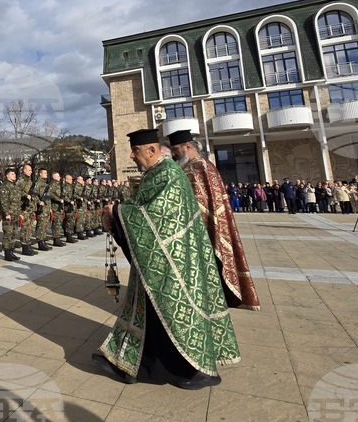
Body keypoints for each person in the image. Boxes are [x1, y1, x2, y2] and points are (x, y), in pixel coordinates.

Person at [94, 129, 240, 390]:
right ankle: (134, 364)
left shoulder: (168, 174)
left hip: (175, 260)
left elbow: (157, 218)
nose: (131, 156)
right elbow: (145, 209)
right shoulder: (158, 173)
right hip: (164, 257)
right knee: (153, 310)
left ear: (151, 151)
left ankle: (190, 370)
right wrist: (119, 215)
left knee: (170, 310)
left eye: (135, 151)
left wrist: (116, 211)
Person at [167, 131, 260, 311]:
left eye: (175, 149)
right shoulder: (189, 166)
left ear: (187, 147)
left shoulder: (200, 166)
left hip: (202, 226)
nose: (173, 154)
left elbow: (199, 201)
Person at [0, 168, 22, 261]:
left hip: (15, 213)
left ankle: (11, 252)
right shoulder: (5, 186)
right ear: (7, 175)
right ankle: (7, 253)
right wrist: (6, 213)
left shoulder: (14, 186)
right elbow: (4, 201)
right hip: (9, 214)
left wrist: (19, 213)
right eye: (12, 174)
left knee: (14, 234)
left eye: (14, 174)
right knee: (8, 234)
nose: (14, 175)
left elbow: (17, 202)